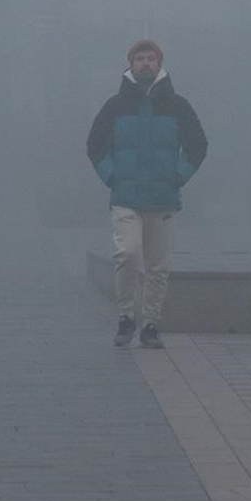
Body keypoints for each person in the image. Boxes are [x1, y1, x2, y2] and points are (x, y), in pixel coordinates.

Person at [86, 39, 207, 348]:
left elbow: (198, 145)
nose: (145, 63)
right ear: (131, 64)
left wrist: (178, 176)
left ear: (159, 64)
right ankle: (127, 316)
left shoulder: (177, 106)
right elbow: (95, 145)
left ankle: (150, 324)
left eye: (150, 58)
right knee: (126, 255)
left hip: (163, 199)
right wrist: (112, 176)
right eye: (139, 58)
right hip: (125, 198)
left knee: (157, 267)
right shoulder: (115, 106)